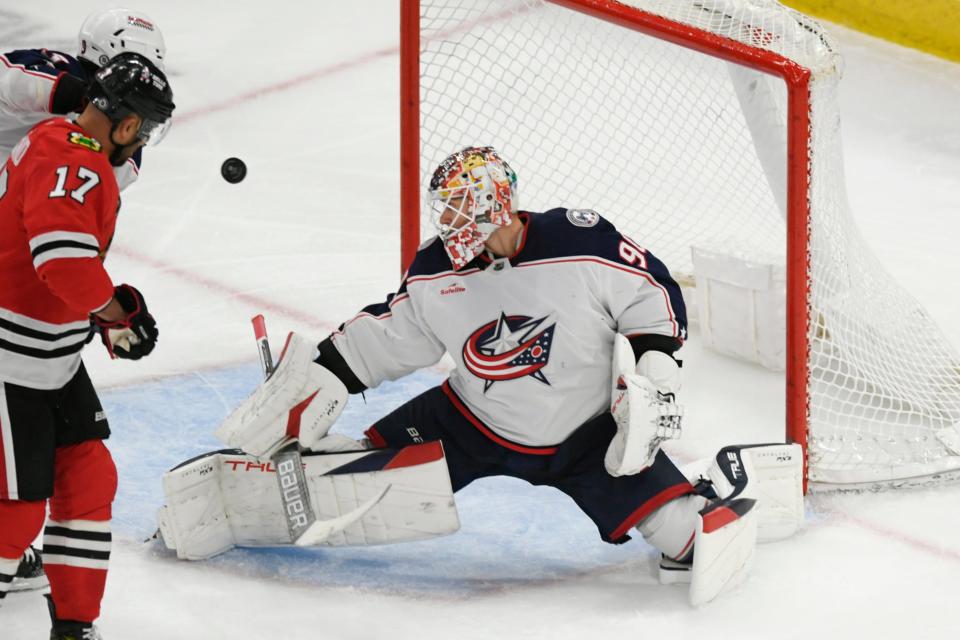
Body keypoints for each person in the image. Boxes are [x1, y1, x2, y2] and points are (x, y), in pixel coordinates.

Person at [162, 147, 799, 605]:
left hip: (587, 434)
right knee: (350, 482)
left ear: (502, 205)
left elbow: (653, 294)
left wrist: (655, 367)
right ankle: (248, 506)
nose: (457, 227)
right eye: (450, 213)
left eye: (469, 213)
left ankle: (715, 497)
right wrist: (326, 376)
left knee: (690, 542)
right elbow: (391, 333)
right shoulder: (438, 271)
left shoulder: (582, 243)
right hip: (468, 421)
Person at [0, 52, 174, 639]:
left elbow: (50, 264)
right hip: (11, 361)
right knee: (14, 515)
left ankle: (74, 628)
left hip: (51, 357)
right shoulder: (74, 163)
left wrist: (104, 318)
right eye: (143, 132)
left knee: (88, 482)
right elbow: (66, 265)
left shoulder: (56, 135)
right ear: (128, 126)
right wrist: (116, 310)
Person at [0, 7, 166, 187]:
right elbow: (12, 81)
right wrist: (86, 97)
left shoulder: (127, 127)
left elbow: (103, 186)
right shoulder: (62, 69)